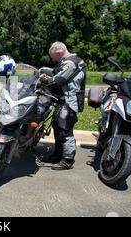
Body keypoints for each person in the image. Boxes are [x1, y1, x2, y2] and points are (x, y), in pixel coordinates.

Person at [40, 42, 86, 170]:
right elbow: (56, 72)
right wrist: (43, 70)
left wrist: (44, 79)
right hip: (63, 101)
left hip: (69, 103)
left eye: (53, 56)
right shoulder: (68, 62)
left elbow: (57, 81)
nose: (52, 59)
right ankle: (57, 155)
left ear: (59, 53)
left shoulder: (70, 63)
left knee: (65, 131)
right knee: (58, 128)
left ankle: (67, 160)